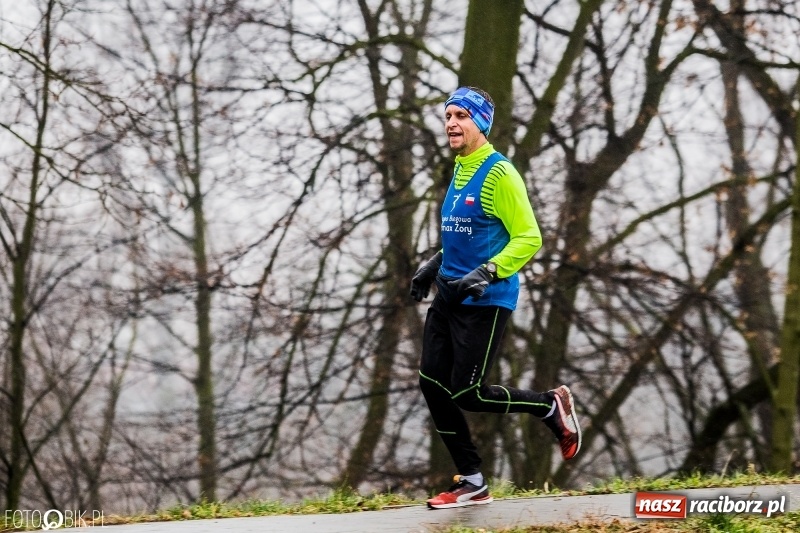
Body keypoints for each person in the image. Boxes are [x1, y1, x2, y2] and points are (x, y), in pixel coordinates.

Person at [410, 86, 581, 510]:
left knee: (468, 393)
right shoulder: (459, 169)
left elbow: (528, 236)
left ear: (481, 123)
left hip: (486, 301)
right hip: (449, 296)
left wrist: (488, 272)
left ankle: (549, 405)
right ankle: (472, 481)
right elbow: (467, 235)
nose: (451, 123)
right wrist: (433, 265)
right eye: (448, 115)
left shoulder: (499, 174)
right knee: (432, 382)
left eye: (461, 116)